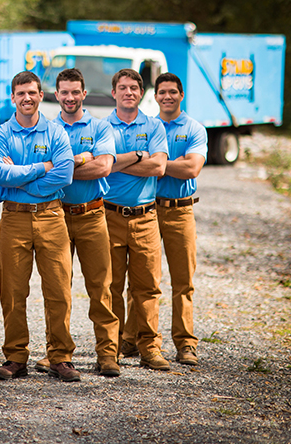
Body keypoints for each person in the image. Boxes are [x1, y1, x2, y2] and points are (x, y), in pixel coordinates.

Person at [0, 71, 80, 383]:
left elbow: (65, 175)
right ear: (12, 98)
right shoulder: (1, 135)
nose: (27, 98)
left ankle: (60, 357)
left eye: (32, 92)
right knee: (12, 289)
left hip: (51, 216)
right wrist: (41, 168)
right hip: (13, 217)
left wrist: (22, 177)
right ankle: (16, 357)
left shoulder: (56, 133)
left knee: (58, 288)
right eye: (21, 93)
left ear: (41, 96)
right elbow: (1, 176)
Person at [120, 73, 207, 366]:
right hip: (149, 210)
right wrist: (161, 164)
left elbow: (192, 168)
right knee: (142, 279)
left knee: (183, 281)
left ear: (181, 95)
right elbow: (175, 165)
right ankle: (131, 340)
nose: (167, 96)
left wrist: (152, 164)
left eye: (173, 92)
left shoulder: (194, 128)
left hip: (181, 211)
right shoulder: (148, 126)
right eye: (162, 92)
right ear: (154, 96)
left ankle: (185, 344)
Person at [42, 68, 121, 377]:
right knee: (58, 289)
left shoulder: (101, 127)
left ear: (84, 94)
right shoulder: (46, 128)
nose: (70, 97)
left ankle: (107, 354)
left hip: (92, 215)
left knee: (101, 287)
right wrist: (81, 158)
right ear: (56, 95)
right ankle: (59, 355)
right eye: (64, 92)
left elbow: (103, 167)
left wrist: (60, 166)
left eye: (76, 92)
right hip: (56, 215)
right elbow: (40, 171)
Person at [102, 68, 170, 371]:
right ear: (113, 93)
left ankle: (150, 348)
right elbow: (103, 166)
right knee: (111, 286)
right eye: (123, 88)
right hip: (109, 215)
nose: (128, 92)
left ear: (141, 94)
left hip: (145, 217)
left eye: (134, 88)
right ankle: (111, 349)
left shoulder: (154, 126)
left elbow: (158, 168)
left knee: (147, 286)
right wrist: (138, 156)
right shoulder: (103, 127)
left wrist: (121, 161)